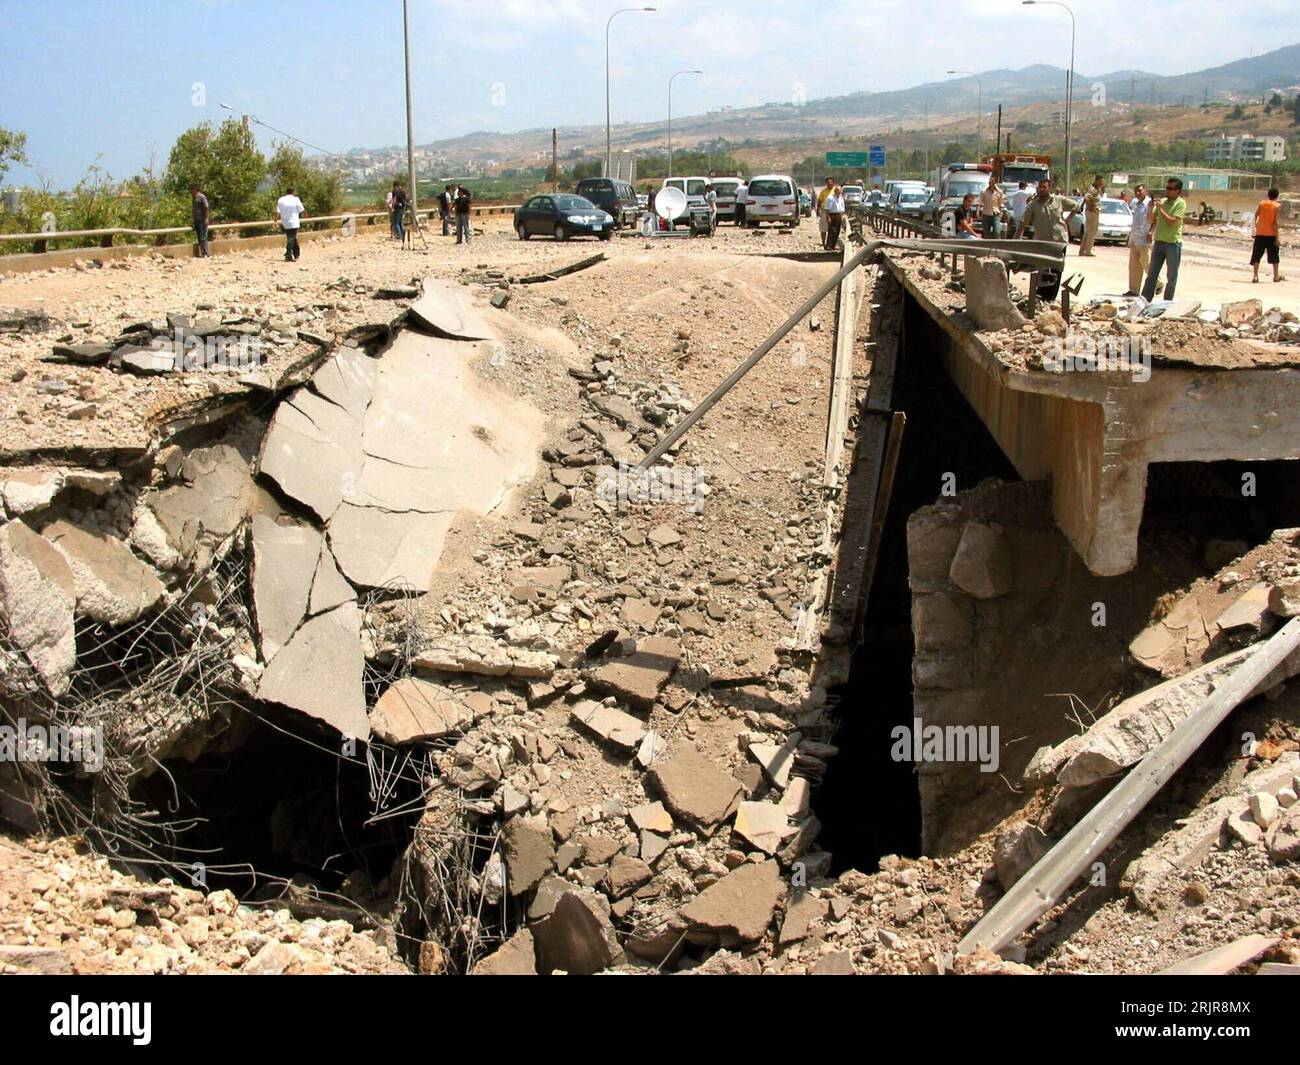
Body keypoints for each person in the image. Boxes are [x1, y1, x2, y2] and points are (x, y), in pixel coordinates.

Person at [1141, 178, 1187, 302]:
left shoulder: (1180, 203)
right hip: (1159, 242)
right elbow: (1151, 220)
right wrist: (1151, 209)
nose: (1167, 191)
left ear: (1177, 191)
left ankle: (1167, 302)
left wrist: (1161, 209)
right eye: (1167, 188)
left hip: (1173, 243)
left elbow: (1172, 222)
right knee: (1152, 274)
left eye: (1171, 188)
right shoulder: (1163, 202)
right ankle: (1145, 300)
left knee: (1171, 276)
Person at [1251, 187, 1284, 284]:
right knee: (1274, 256)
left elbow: (1255, 215)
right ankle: (1276, 276)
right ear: (1277, 196)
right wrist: (1278, 238)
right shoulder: (1277, 206)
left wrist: (1255, 228)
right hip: (1271, 235)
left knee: (1256, 255)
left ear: (1268, 195)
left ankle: (1255, 276)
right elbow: (1276, 222)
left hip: (1260, 234)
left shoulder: (1262, 204)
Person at [1125, 183, 1153, 297]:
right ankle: (1133, 290)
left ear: (1145, 191)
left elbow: (1154, 219)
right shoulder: (1135, 204)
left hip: (1144, 238)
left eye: (1140, 191)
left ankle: (1158, 282)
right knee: (1134, 266)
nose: (1138, 193)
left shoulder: (1150, 204)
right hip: (1135, 238)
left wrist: (1151, 232)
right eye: (1136, 191)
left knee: (1146, 263)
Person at [1068, 175, 1104, 256]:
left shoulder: (1097, 190)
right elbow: (1086, 198)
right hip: (1092, 213)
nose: (1102, 183)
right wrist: (1091, 206)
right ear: (1097, 181)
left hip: (1093, 212)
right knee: (1091, 232)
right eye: (1101, 181)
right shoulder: (1093, 189)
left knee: (1087, 232)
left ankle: (1082, 250)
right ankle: (1088, 251)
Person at [275, 186, 305, 262]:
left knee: (291, 237)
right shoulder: (296, 199)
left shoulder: (281, 200)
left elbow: (278, 212)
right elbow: (301, 209)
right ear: (294, 191)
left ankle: (296, 253)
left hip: (284, 222)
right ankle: (288, 254)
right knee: (291, 237)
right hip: (294, 221)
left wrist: (275, 220)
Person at [980, 174, 1004, 239]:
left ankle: (997, 247)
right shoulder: (984, 191)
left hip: (995, 214)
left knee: (997, 232)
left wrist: (1001, 213)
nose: (990, 182)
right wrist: (978, 212)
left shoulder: (999, 192)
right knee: (986, 234)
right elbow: (980, 203)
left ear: (995, 182)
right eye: (990, 180)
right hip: (986, 214)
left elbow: (1001, 204)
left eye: (992, 180)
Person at [823, 183, 846, 250]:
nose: (839, 192)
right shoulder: (830, 198)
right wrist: (828, 217)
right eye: (838, 191)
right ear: (835, 191)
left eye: (840, 191)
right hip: (832, 215)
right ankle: (828, 246)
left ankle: (833, 245)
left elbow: (842, 209)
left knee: (837, 231)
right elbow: (827, 209)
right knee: (832, 231)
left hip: (839, 215)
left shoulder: (841, 198)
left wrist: (842, 216)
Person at [190, 184, 210, 258]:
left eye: (192, 189)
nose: (191, 191)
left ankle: (205, 253)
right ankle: (202, 253)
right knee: (199, 238)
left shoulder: (201, 197)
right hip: (197, 220)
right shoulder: (194, 198)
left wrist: (206, 218)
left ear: (195, 189)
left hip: (202, 220)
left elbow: (206, 207)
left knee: (203, 237)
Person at [817, 176, 835, 246]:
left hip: (833, 212)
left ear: (833, 183)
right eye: (828, 183)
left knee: (833, 229)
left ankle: (831, 243)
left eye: (831, 183)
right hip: (824, 211)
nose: (829, 184)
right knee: (823, 228)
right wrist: (817, 210)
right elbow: (819, 201)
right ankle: (823, 243)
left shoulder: (835, 191)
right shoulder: (823, 191)